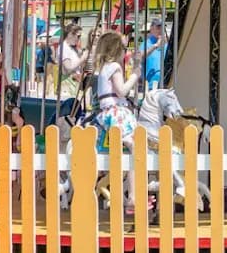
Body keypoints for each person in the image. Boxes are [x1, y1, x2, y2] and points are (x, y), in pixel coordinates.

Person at [95, 31, 141, 210]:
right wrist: (135, 76)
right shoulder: (114, 66)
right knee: (136, 149)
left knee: (126, 151)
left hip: (106, 111)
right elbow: (121, 91)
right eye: (123, 48)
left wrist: (135, 63)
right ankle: (133, 196)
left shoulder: (104, 66)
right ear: (116, 49)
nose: (125, 52)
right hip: (116, 111)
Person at [58, 24, 89, 101]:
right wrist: (82, 58)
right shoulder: (64, 47)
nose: (79, 39)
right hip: (68, 83)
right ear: (70, 34)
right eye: (78, 36)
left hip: (75, 83)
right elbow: (68, 68)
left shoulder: (71, 48)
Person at [140, 19, 166, 90]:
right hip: (150, 85)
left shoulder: (166, 45)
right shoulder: (146, 44)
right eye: (158, 27)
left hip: (165, 83)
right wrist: (155, 46)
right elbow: (141, 57)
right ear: (151, 29)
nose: (160, 30)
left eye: (162, 27)